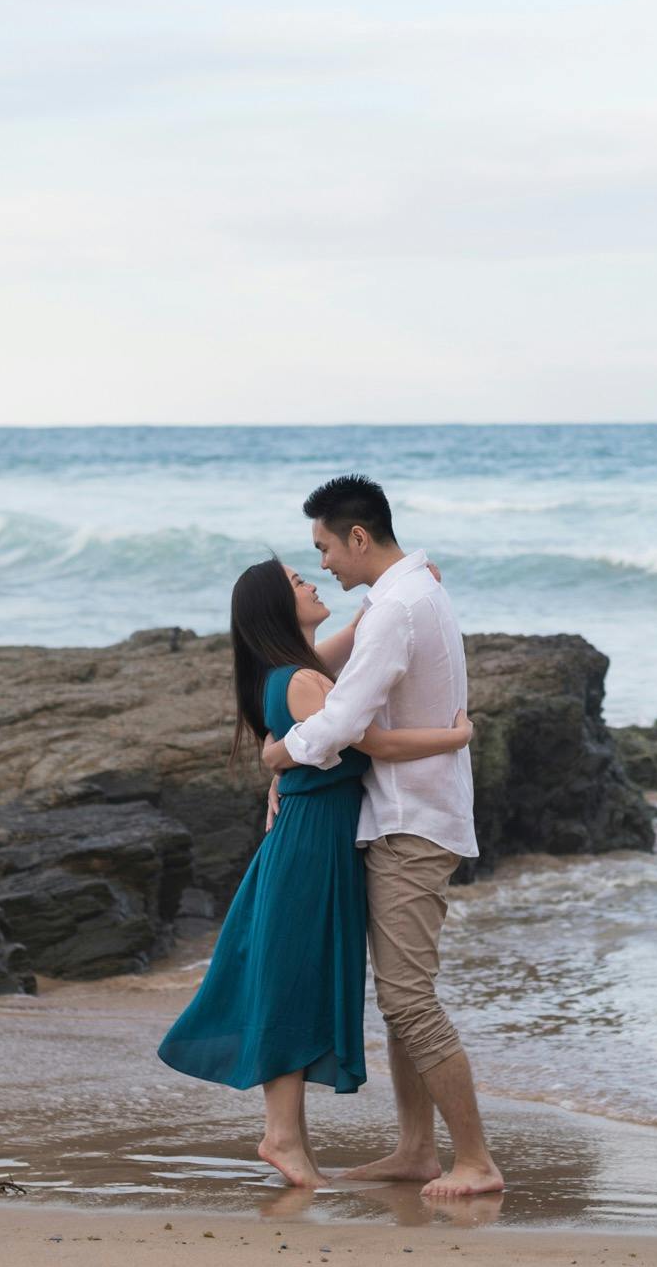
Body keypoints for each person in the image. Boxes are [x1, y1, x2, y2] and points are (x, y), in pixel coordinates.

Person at [156, 556, 472, 1189]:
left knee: (295, 977)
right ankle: (281, 1136)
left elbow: (355, 638)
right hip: (311, 845)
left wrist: (405, 581)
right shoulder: (302, 681)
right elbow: (373, 744)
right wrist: (456, 737)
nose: (312, 579)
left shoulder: (296, 670)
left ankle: (291, 1138)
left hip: (318, 837)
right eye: (297, 582)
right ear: (278, 608)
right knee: (291, 981)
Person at [261, 474, 506, 1199]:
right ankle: (415, 1150)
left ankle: (476, 1161)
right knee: (404, 998)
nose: (324, 564)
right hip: (407, 815)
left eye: (325, 548)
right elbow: (344, 666)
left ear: (359, 537)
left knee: (408, 1000)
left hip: (412, 824)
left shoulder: (398, 606)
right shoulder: (406, 594)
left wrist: (279, 755)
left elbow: (343, 722)